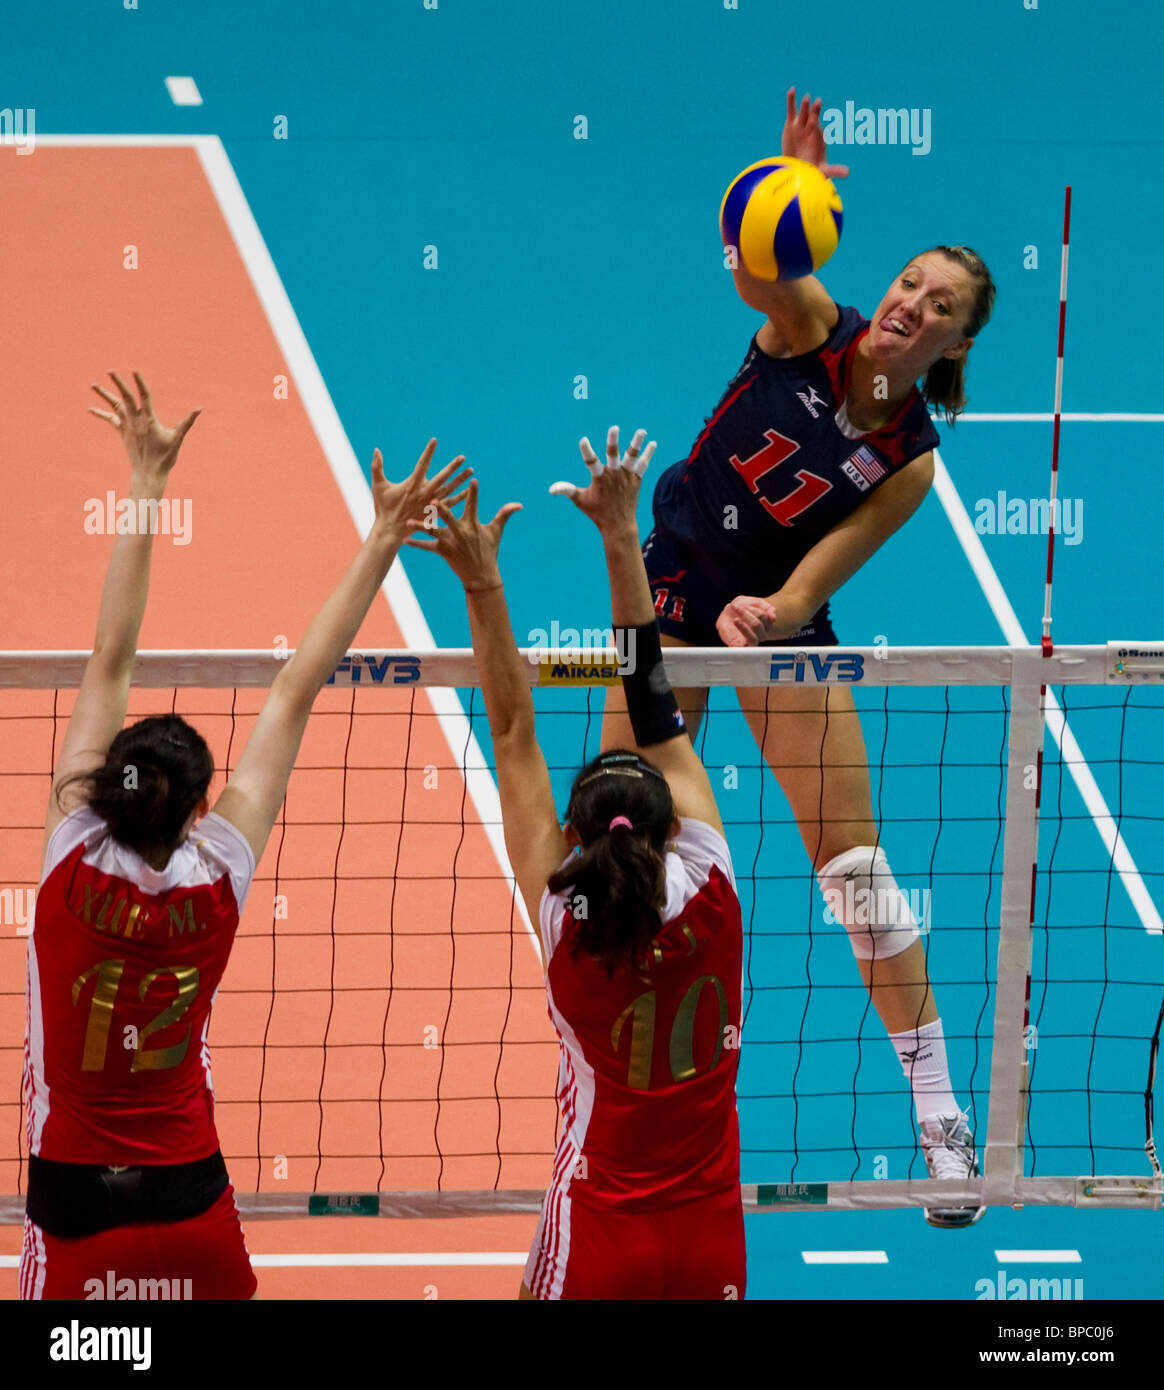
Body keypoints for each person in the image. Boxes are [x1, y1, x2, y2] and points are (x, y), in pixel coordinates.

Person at [628, 90, 996, 1227]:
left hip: (766, 625)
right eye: (907, 282)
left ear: (955, 342)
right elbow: (752, 266)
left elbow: (817, 574)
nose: (908, 303)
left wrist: (773, 614)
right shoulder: (811, 328)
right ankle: (614, 1099)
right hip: (670, 591)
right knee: (626, 839)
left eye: (937, 305)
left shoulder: (912, 462)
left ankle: (941, 1121)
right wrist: (794, 200)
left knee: (858, 875)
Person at [20, 370, 467, 1299]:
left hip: (73, 1196)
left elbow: (113, 654)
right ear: (196, 811)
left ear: (103, 788)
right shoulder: (217, 872)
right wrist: (384, 539)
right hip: (189, 1191)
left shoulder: (70, 853)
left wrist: (145, 484)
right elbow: (296, 688)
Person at [407, 426, 746, 1300]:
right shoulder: (713, 885)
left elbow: (514, 733)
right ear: (675, 825)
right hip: (713, 1238)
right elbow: (652, 695)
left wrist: (484, 583)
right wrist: (620, 537)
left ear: (572, 834)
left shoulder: (566, 920)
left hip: (600, 1233)